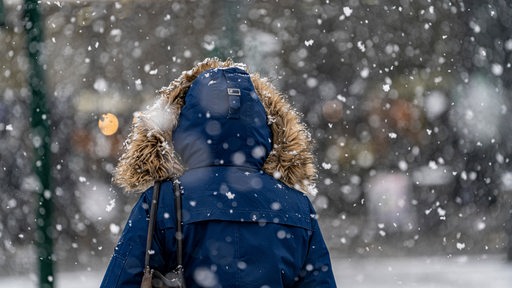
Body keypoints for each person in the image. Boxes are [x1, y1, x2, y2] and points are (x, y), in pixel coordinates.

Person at [100, 58, 337, 287]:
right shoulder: (296, 206)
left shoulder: (164, 201)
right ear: (266, 126)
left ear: (184, 126)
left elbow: (122, 279)